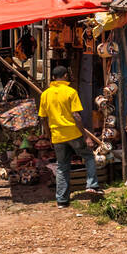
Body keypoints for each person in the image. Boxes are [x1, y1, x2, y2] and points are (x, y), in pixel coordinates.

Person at [38, 65, 99, 207]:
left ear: (53, 78)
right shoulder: (71, 92)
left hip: (57, 136)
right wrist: (86, 136)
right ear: (65, 76)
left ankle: (62, 200)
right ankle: (92, 185)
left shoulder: (45, 94)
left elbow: (43, 119)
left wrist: (48, 136)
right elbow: (76, 116)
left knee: (62, 166)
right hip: (73, 133)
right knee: (89, 156)